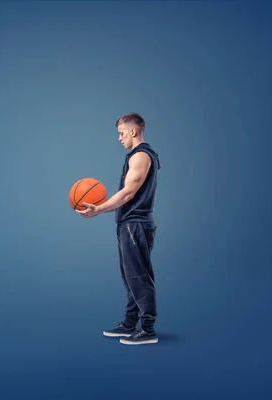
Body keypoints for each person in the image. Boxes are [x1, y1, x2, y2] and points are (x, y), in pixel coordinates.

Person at [77, 113, 161, 345]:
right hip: (128, 224)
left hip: (136, 224)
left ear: (133, 131)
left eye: (121, 133)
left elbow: (128, 192)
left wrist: (99, 209)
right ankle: (129, 323)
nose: (119, 138)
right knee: (129, 276)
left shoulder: (142, 156)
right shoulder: (135, 156)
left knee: (139, 276)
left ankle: (147, 329)